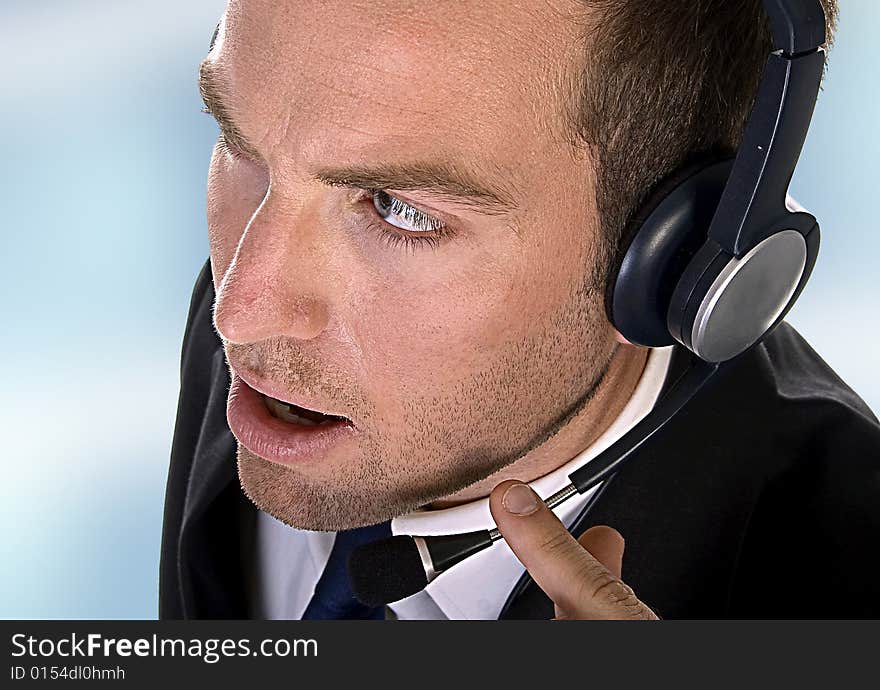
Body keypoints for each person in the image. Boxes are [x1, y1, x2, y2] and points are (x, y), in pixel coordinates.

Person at [159, 0, 880, 620]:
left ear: (670, 255)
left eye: (400, 209)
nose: (240, 311)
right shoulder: (271, 332)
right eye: (236, 140)